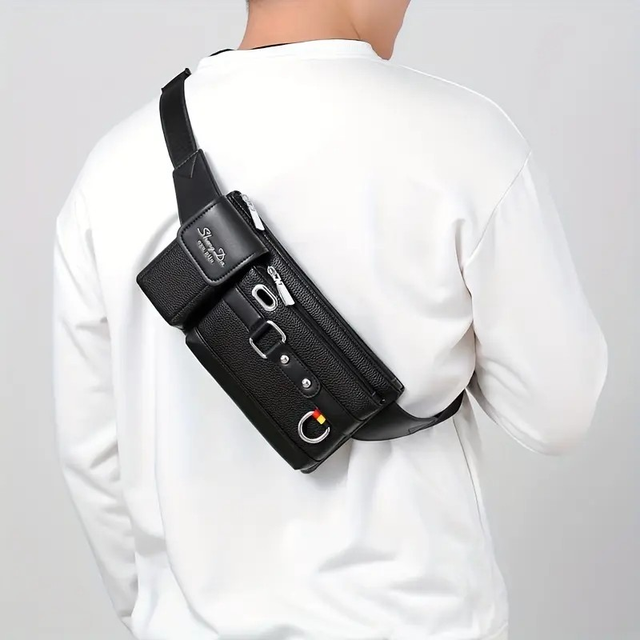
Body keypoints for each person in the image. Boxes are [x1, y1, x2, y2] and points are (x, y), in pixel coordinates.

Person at [51, 1, 608, 639]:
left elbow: (94, 458)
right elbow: (556, 415)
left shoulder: (114, 168)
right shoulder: (468, 139)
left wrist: (155, 615)